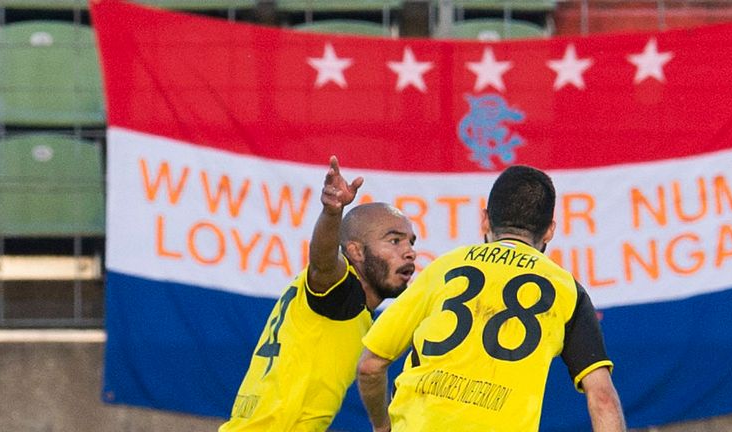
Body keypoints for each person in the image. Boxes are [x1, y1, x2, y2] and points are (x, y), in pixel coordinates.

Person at [357, 165, 626, 432]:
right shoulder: (567, 290)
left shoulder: (445, 268)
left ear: (485, 220)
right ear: (549, 232)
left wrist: (382, 426)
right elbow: (602, 397)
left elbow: (370, 366)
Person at [220, 156, 417, 432]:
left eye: (410, 242)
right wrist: (332, 213)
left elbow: (370, 368)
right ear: (356, 251)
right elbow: (323, 263)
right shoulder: (340, 291)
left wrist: (382, 425)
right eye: (394, 240)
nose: (409, 251)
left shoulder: (351, 309)